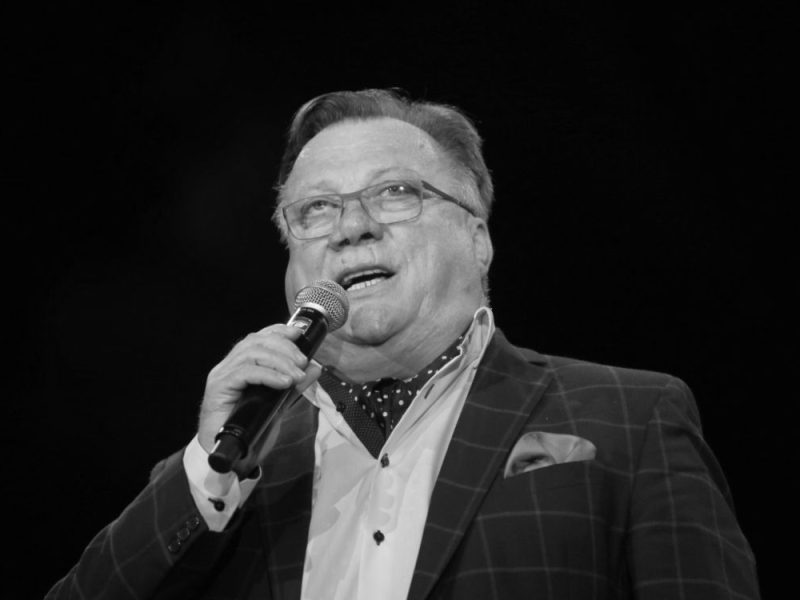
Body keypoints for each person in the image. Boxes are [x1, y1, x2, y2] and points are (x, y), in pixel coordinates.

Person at [46, 88, 760, 600]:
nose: (351, 227)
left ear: (477, 237)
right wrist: (210, 467)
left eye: (394, 193)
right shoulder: (232, 462)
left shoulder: (631, 418)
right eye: (316, 209)